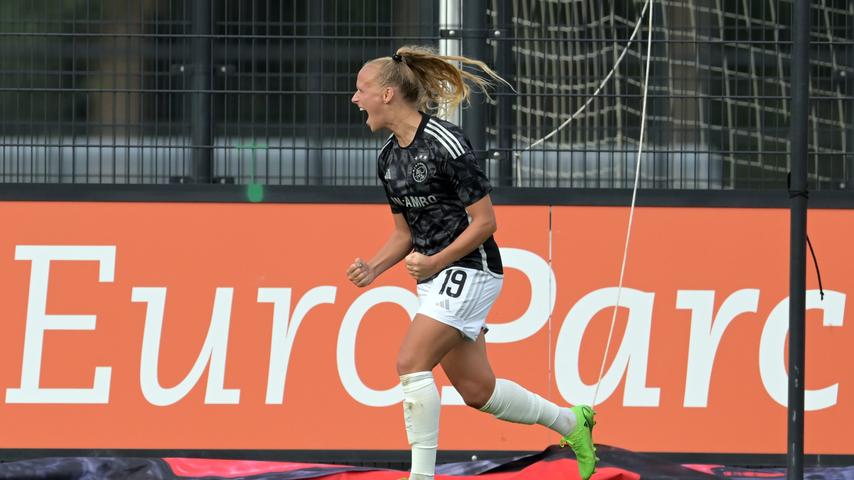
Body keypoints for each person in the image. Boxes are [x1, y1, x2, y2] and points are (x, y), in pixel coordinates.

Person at [346, 45, 597, 480]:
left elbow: (485, 223)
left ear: (388, 94)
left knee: (410, 363)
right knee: (479, 391)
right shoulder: (388, 157)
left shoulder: (446, 142)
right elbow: (404, 234)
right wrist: (373, 267)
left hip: (473, 268)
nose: (355, 98)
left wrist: (435, 262)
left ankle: (421, 476)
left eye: (361, 89)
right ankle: (572, 422)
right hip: (436, 276)